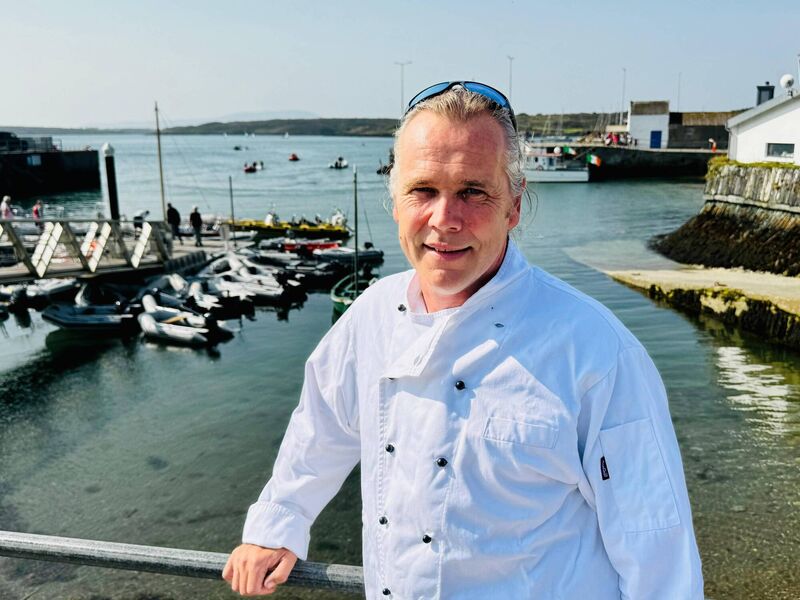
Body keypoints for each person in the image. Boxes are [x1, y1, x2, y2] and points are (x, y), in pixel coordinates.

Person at [223, 82, 703, 598]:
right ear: (395, 201)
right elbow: (322, 427)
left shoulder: (596, 351)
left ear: (513, 205)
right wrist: (279, 521)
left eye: (473, 192)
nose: (444, 219)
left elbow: (657, 546)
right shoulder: (371, 316)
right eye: (423, 190)